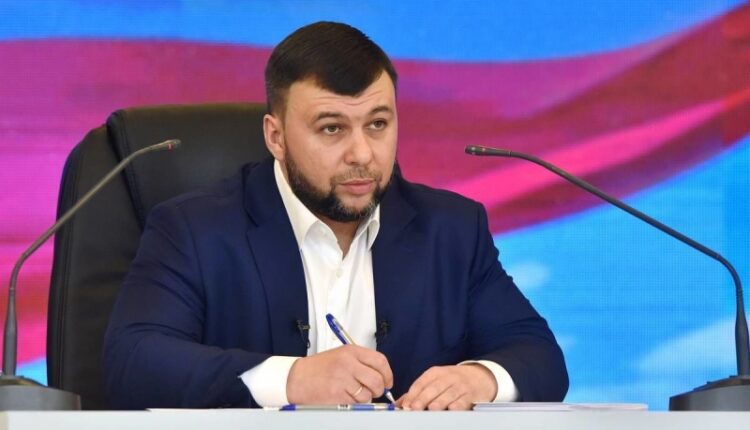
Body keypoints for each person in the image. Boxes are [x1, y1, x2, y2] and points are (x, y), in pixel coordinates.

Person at [103, 21, 568, 410]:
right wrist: (293, 380)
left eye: (378, 124)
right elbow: (133, 362)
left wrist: (479, 380)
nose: (361, 153)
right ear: (276, 137)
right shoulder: (193, 229)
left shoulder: (452, 230)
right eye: (332, 129)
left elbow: (540, 356)